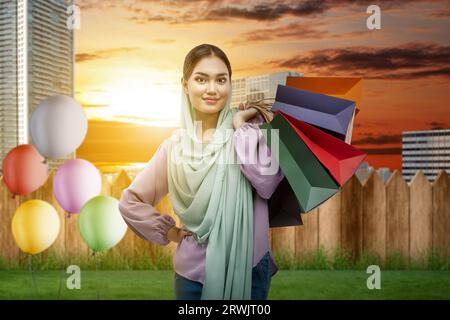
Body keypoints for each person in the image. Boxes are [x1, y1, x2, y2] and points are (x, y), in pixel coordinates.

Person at [119, 43, 284, 300]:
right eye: (201, 79)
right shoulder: (174, 148)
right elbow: (131, 201)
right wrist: (171, 232)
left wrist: (240, 126)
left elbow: (267, 183)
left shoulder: (251, 130)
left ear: (230, 84)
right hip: (192, 274)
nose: (212, 89)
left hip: (249, 269)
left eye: (221, 80)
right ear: (185, 85)